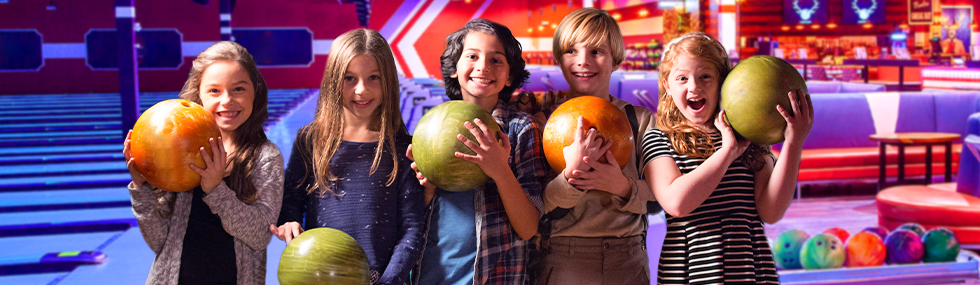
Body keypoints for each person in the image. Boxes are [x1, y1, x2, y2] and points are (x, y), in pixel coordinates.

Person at [640, 32, 813, 284]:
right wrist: (727, 154)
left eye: (705, 76)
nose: (694, 87)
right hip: (690, 271)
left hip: (749, 269)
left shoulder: (749, 136)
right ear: (667, 85)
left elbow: (771, 211)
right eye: (682, 78)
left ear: (723, 82)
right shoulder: (659, 138)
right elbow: (678, 203)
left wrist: (793, 142)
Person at [271, 28, 424, 285]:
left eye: (373, 77)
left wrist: (386, 281)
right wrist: (289, 222)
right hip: (320, 278)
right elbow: (291, 202)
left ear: (389, 80)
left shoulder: (403, 148)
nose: (361, 90)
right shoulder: (310, 141)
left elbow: (412, 229)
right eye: (349, 78)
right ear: (333, 80)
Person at [124, 41, 284, 284]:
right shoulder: (180, 148)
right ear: (198, 93)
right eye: (214, 91)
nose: (227, 101)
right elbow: (159, 242)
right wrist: (141, 188)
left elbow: (260, 235)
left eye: (238, 89)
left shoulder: (265, 157)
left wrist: (215, 189)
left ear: (256, 90)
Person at [524, 8, 657, 285]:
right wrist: (572, 178)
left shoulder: (640, 120)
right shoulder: (542, 119)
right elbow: (532, 205)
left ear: (616, 59)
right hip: (561, 258)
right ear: (559, 58)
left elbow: (660, 197)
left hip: (628, 258)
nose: (583, 61)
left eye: (596, 51)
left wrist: (620, 186)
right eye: (572, 50)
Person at [408, 19, 547, 285]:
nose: (483, 67)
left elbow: (529, 228)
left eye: (497, 60)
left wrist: (499, 169)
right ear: (454, 68)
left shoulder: (520, 130)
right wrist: (426, 189)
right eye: (472, 56)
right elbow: (411, 219)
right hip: (431, 276)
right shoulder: (430, 126)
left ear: (509, 76)